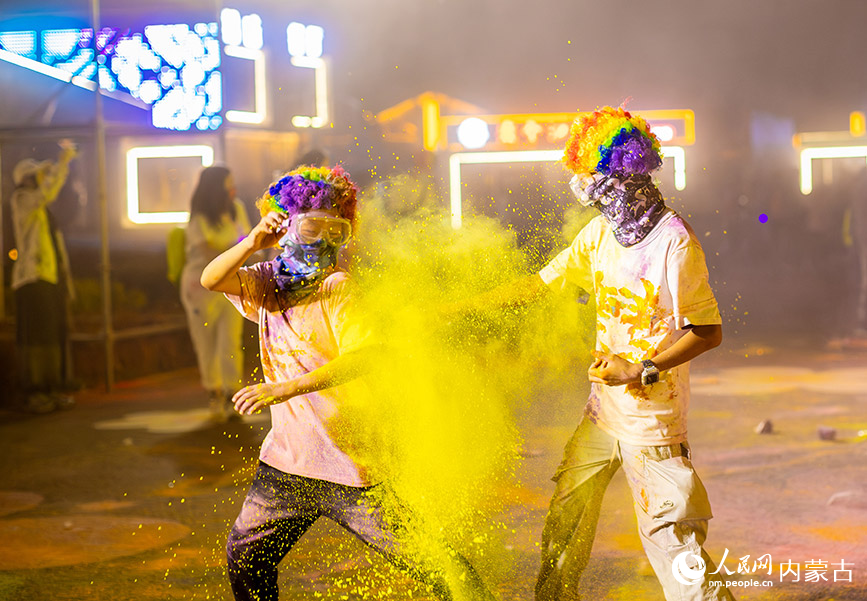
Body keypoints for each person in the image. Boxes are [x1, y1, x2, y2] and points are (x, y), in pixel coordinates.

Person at [459, 106, 734, 600]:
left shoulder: (675, 242)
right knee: (566, 517)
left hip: (652, 424)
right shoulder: (601, 234)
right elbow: (540, 285)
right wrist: (459, 309)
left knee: (675, 547)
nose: (581, 188)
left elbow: (708, 331)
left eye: (589, 177)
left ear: (620, 177)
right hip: (602, 416)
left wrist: (642, 367)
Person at [200, 165, 496, 601]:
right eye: (310, 226)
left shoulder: (339, 287)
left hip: (348, 465)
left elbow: (365, 356)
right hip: (288, 464)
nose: (322, 240)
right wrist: (252, 241)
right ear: (283, 226)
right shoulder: (265, 283)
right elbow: (210, 279)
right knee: (246, 558)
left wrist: (282, 389)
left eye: (334, 230)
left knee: (435, 563)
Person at [10, 141, 78, 414]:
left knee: (51, 337)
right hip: (31, 280)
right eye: (37, 174)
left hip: (47, 279)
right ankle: (36, 392)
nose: (42, 179)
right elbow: (47, 191)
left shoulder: (41, 208)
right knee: (36, 339)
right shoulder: (23, 200)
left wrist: (67, 284)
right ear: (27, 178)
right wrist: (63, 162)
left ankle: (52, 389)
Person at [180, 165, 250, 422]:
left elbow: (247, 239)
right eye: (228, 185)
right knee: (205, 340)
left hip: (231, 286)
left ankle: (233, 392)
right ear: (215, 189)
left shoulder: (237, 209)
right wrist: (238, 252)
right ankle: (214, 390)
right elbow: (208, 252)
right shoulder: (199, 217)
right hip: (200, 289)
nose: (233, 190)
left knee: (230, 339)